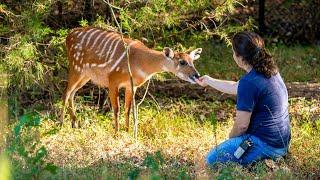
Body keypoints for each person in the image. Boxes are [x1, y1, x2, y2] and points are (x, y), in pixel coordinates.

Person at [196, 32, 291, 166]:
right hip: (281, 142)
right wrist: (208, 80)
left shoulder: (249, 82)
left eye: (233, 52)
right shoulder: (269, 69)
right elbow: (236, 86)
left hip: (267, 145)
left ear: (240, 57)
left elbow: (241, 126)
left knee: (211, 161)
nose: (233, 55)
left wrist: (231, 141)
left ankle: (262, 158)